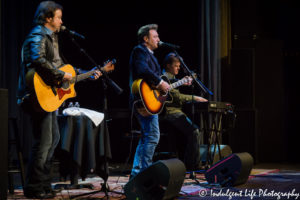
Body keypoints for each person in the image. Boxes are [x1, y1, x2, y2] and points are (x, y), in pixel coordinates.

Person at [17, 1, 102, 198]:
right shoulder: (38, 35)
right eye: (58, 17)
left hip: (48, 97)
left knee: (53, 140)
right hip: (35, 96)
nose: (61, 21)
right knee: (44, 142)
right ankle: (34, 188)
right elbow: (37, 60)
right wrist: (58, 74)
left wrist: (87, 73)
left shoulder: (53, 37)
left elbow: (63, 68)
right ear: (48, 18)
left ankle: (45, 185)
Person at [129, 24, 170, 178]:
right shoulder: (139, 50)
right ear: (146, 39)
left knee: (147, 136)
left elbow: (155, 78)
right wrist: (160, 82)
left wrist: (166, 84)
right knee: (153, 136)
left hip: (149, 101)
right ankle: (146, 172)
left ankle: (137, 172)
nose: (158, 39)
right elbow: (142, 70)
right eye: (155, 36)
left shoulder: (150, 54)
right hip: (142, 100)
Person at [160, 52, 208, 170]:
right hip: (169, 112)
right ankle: (193, 165)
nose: (178, 68)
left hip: (176, 111)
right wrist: (195, 98)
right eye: (176, 65)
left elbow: (177, 95)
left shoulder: (172, 80)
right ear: (167, 66)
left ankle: (189, 162)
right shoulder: (163, 79)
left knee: (194, 129)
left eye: (179, 66)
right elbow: (177, 97)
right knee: (194, 131)